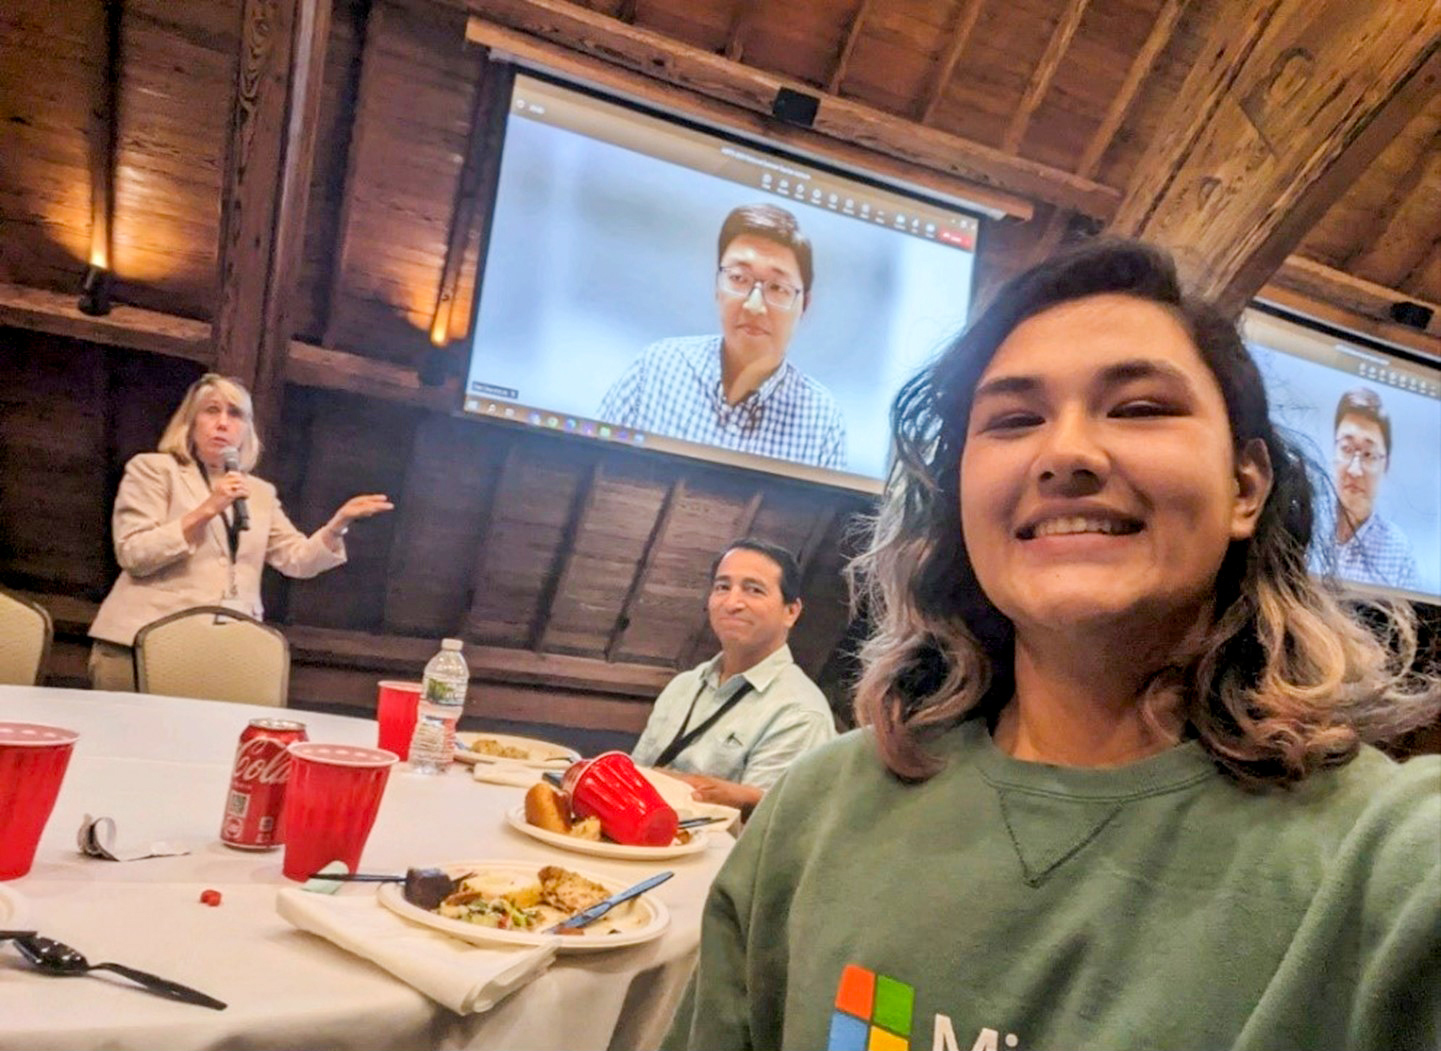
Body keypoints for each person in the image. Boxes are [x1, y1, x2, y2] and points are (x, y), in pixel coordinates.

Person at [665, 241, 1441, 1050]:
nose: (1065, 452)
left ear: (1245, 487)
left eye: (1138, 407)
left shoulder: (1384, 865)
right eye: (1012, 419)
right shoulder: (816, 811)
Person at [87, 373, 393, 691]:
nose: (223, 423)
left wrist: (338, 524)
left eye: (235, 414)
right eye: (211, 410)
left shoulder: (258, 493)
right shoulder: (153, 470)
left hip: (222, 653)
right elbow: (134, 554)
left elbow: (297, 560)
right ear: (190, 423)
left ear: (246, 430)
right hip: (138, 645)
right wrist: (209, 508)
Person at [597, 204, 847, 470]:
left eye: (777, 287)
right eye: (739, 278)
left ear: (804, 306)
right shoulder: (657, 368)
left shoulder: (821, 420)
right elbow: (590, 470)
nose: (754, 305)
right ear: (718, 286)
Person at [631, 538, 837, 814]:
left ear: (791, 611)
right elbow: (633, 776)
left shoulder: (800, 713)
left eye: (753, 590)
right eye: (722, 587)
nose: (732, 602)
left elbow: (763, 827)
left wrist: (658, 781)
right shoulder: (684, 685)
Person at [1322, 386, 1419, 590]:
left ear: (1386, 465)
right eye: (1346, 449)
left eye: (1368, 455)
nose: (1355, 470)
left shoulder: (1399, 553)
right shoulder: (1303, 524)